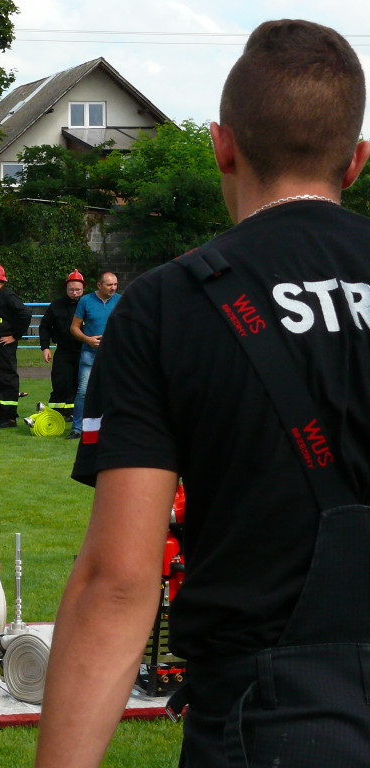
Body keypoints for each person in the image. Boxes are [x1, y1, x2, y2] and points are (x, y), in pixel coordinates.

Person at [36, 20, 370, 768]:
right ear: (356, 160)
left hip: (270, 722)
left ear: (223, 144)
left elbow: (120, 583)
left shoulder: (169, 305)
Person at [67, 271, 119, 439]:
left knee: (113, 392)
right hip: (90, 354)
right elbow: (74, 328)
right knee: (83, 392)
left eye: (115, 285)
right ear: (99, 285)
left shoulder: (121, 300)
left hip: (113, 355)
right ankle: (77, 429)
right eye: (109, 285)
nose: (113, 288)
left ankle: (111, 429)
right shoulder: (86, 301)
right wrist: (88, 340)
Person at [0, 263, 32, 427]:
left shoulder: (8, 296)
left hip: (5, 344)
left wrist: (15, 336)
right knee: (0, 379)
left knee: (8, 378)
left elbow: (25, 314)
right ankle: (0, 415)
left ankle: (10, 417)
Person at [37, 269, 85, 419]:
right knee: (60, 382)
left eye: (78, 290)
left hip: (84, 350)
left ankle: (76, 414)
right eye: (71, 289)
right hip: (63, 350)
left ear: (83, 289)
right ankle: (57, 414)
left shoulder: (89, 304)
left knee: (81, 384)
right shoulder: (56, 306)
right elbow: (44, 326)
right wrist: (45, 347)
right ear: (66, 288)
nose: (75, 293)